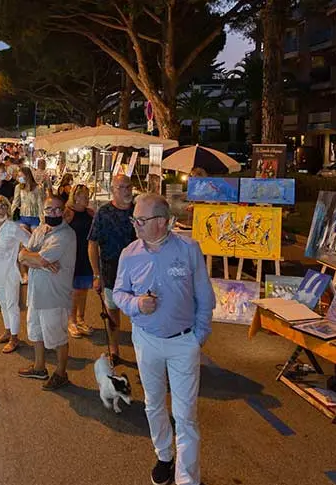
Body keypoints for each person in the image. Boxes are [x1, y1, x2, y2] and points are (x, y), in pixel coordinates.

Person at [112, 193, 214, 485]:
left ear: (160, 221)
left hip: (184, 342)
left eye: (140, 220)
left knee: (185, 415)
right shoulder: (129, 254)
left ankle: (187, 478)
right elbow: (119, 293)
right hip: (146, 340)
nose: (135, 225)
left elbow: (204, 295)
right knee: (153, 403)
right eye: (134, 219)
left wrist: (199, 336)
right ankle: (164, 456)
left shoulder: (188, 249)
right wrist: (136, 305)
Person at [17, 194, 76, 390]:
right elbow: (24, 254)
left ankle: (61, 373)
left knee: (57, 337)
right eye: (49, 210)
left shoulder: (66, 235)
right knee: (36, 332)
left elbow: (38, 259)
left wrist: (33, 259)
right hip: (36, 292)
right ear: (43, 211)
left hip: (54, 295)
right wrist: (33, 259)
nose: (53, 213)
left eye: (58, 209)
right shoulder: (41, 230)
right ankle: (39, 367)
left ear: (64, 211)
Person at [88, 174, 136, 365]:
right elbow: (92, 243)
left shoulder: (139, 211)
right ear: (113, 190)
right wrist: (96, 274)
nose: (127, 191)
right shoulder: (104, 212)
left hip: (138, 272)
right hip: (111, 270)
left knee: (139, 315)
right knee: (112, 312)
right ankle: (114, 350)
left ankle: (144, 355)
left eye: (129, 187)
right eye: (122, 187)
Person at [0, 195, 30, 353]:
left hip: (10, 272)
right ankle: (7, 331)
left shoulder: (13, 227)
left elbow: (29, 241)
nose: (2, 208)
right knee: (3, 304)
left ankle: (14, 338)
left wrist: (26, 257)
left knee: (12, 305)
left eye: (4, 205)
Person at [64, 184, 95, 338]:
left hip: (86, 254)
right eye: (84, 196)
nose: (87, 199)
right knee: (74, 291)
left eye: (88, 196)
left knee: (84, 290)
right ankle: (71, 321)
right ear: (76, 197)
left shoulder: (90, 213)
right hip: (73, 255)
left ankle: (81, 319)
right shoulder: (69, 213)